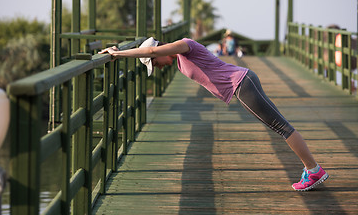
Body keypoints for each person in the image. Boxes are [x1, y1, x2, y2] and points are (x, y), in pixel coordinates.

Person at [99, 37, 329, 191]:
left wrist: (118, 55)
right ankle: (311, 168)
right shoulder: (179, 61)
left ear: (159, 50)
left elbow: (150, 50)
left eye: (153, 63)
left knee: (281, 127)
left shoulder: (183, 45)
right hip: (243, 81)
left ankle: (314, 170)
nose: (157, 67)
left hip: (241, 84)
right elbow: (154, 53)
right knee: (281, 126)